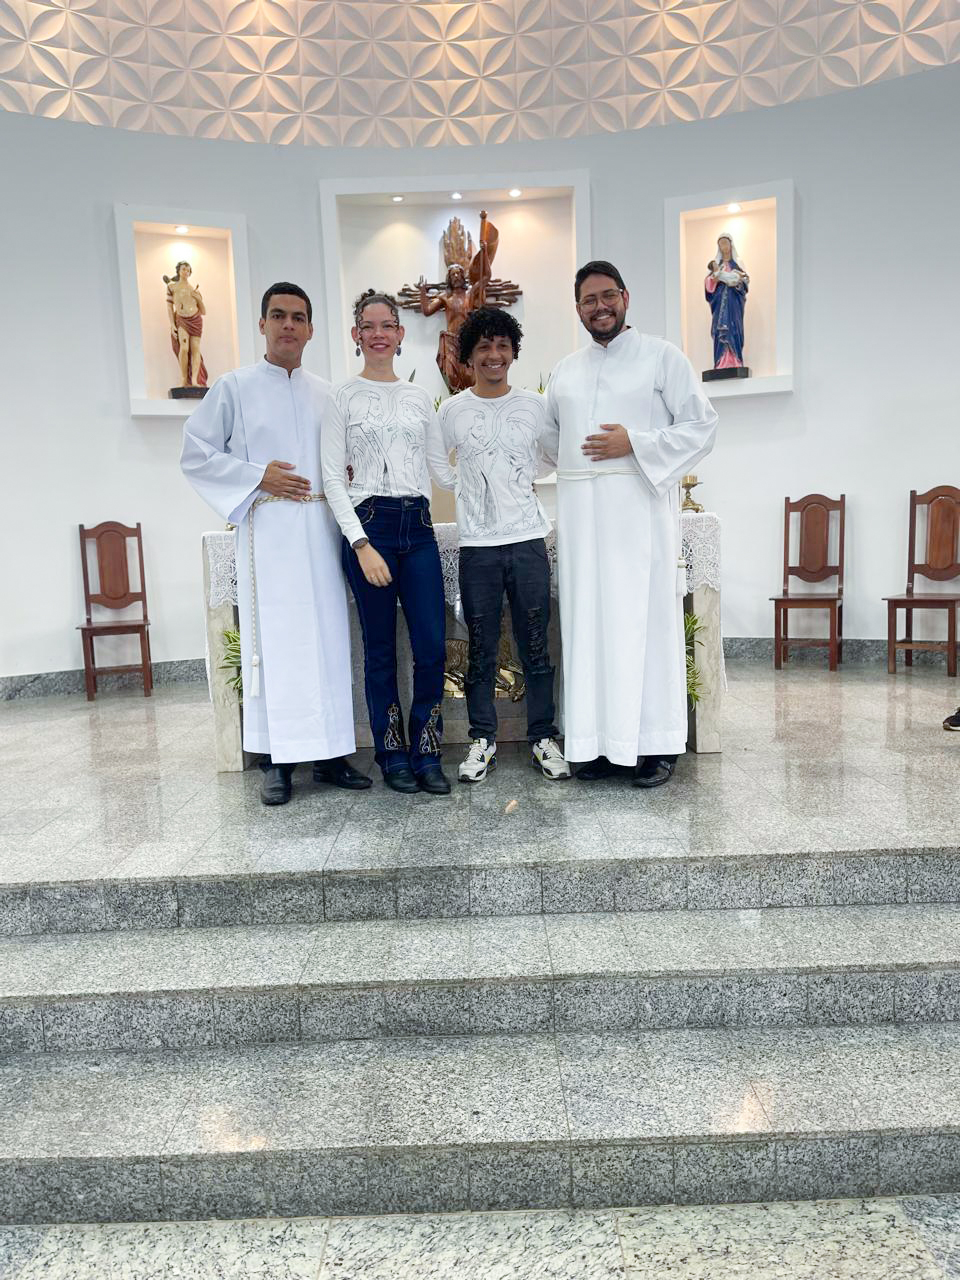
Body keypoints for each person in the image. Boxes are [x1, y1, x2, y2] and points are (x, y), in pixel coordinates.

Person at [180, 282, 371, 805]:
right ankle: (278, 760)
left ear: (311, 330)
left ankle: (331, 754)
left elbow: (347, 459)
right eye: (279, 315)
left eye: (298, 317)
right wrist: (256, 476)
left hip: (322, 532)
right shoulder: (233, 387)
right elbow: (195, 453)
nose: (289, 325)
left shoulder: (328, 393)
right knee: (277, 642)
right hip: (268, 533)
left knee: (327, 641)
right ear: (262, 324)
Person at [544, 260, 718, 787]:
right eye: (588, 300)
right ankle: (597, 745)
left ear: (625, 297)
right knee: (589, 626)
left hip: (639, 519)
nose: (599, 307)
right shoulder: (565, 371)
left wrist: (634, 444)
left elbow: (702, 427)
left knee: (644, 625)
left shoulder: (662, 357)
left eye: (608, 296)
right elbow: (548, 442)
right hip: (582, 522)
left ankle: (654, 745)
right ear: (577, 309)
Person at [321, 290, 455, 795]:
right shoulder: (341, 396)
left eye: (387, 326)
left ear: (400, 335)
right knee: (379, 650)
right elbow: (332, 478)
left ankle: (427, 751)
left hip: (417, 528)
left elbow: (441, 471)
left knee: (431, 646)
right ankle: (392, 754)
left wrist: (500, 465)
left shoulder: (419, 397)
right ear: (356, 335)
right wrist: (360, 544)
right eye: (368, 326)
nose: (378, 334)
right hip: (370, 526)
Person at [438, 307, 569, 784]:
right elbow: (435, 461)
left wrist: (518, 477)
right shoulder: (452, 410)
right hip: (478, 546)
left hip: (528, 539)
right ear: (469, 356)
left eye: (502, 346)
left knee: (536, 645)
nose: (493, 355)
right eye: (483, 347)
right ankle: (483, 739)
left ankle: (543, 737)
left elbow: (554, 454)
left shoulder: (534, 405)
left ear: (513, 352)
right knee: (482, 647)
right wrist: (469, 485)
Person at [705, 235, 749, 370]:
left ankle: (735, 360)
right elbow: (709, 285)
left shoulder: (737, 264)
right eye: (721, 244)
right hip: (720, 305)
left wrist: (737, 283)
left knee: (734, 329)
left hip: (734, 304)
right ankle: (721, 362)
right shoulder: (717, 266)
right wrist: (714, 280)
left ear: (731, 245)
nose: (724, 246)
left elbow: (745, 282)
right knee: (720, 331)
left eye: (726, 243)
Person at [164, 261, 208, 389]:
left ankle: (194, 380)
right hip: (182, 320)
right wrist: (172, 324)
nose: (186, 272)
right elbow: (169, 307)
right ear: (178, 270)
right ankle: (183, 379)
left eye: (188, 270)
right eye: (183, 269)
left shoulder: (193, 289)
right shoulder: (172, 287)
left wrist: (198, 298)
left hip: (195, 320)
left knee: (195, 349)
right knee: (184, 348)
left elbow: (203, 311)